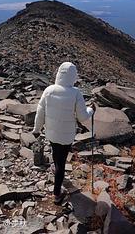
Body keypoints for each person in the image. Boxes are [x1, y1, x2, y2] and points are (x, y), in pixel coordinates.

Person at [32, 62, 94, 204]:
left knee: (56, 154)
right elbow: (83, 117)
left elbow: (40, 112)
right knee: (62, 162)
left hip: (51, 133)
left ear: (59, 74)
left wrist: (36, 129)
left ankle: (56, 172)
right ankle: (57, 193)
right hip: (67, 136)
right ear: (73, 76)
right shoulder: (75, 93)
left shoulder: (49, 90)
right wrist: (91, 110)